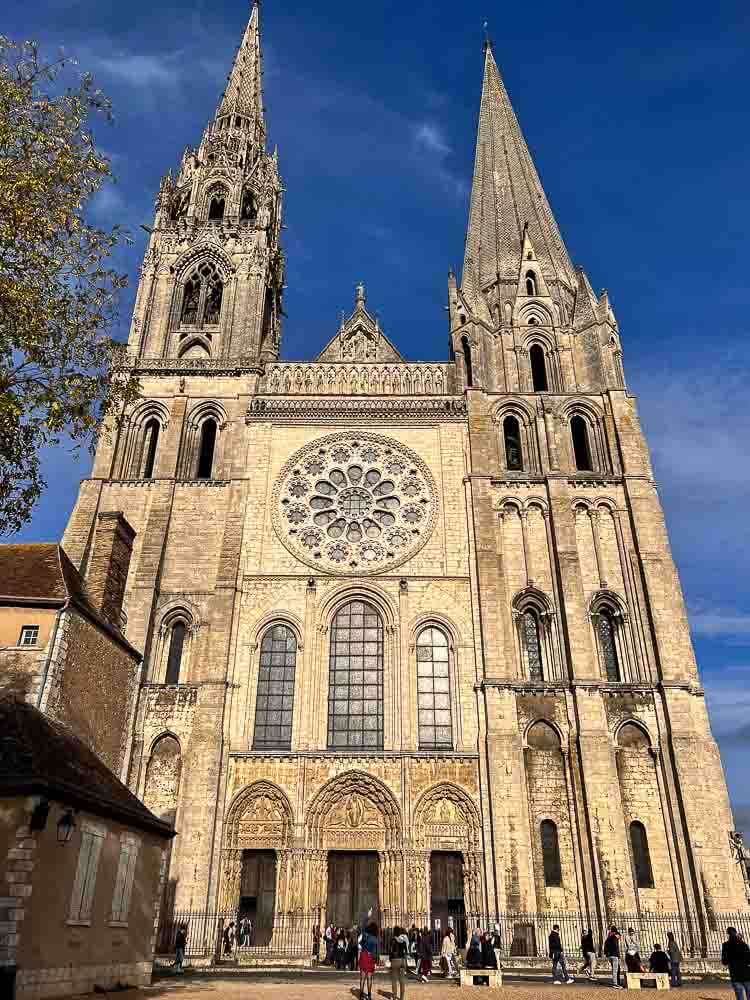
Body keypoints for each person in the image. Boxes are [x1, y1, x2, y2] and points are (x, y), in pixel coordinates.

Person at [722, 926, 750, 1000]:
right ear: (736, 933)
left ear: (727, 934)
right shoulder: (743, 944)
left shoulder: (725, 945)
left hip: (735, 975)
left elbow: (724, 962)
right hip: (746, 974)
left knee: (740, 997)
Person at [359, 921, 379, 1000]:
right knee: (369, 978)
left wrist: (367, 917)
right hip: (370, 957)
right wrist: (376, 961)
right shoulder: (375, 939)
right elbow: (377, 951)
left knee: (362, 977)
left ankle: (361, 994)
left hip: (364, 955)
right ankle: (369, 995)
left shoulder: (365, 936)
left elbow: (362, 927)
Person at [389, 925, 409, 1000]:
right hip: (402, 960)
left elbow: (390, 951)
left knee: (394, 980)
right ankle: (401, 997)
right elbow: (406, 951)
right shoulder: (403, 940)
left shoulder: (392, 940)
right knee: (402, 980)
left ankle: (394, 997)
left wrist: (390, 959)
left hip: (394, 960)